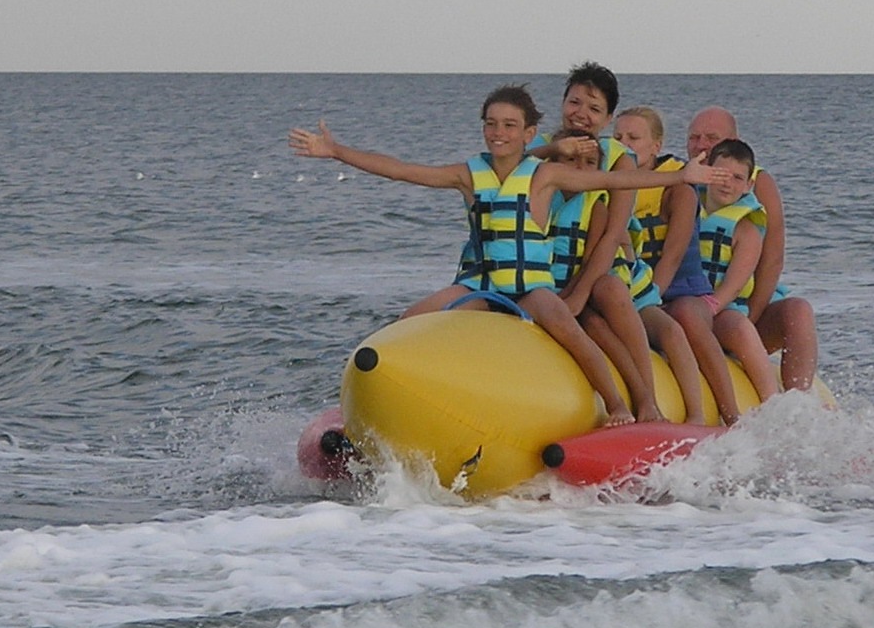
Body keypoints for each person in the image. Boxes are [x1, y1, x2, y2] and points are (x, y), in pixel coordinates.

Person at [289, 85, 712, 428]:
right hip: (483, 284)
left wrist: (682, 176)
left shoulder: (544, 175)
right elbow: (402, 169)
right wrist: (337, 151)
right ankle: (367, 409)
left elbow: (615, 180)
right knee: (412, 319)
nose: (499, 132)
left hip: (530, 287)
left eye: (510, 125)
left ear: (529, 134)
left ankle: (616, 403)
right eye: (491, 123)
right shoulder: (469, 174)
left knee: (567, 327)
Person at [548, 128, 708, 427]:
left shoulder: (597, 206)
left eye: (589, 163)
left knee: (668, 330)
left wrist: (572, 299)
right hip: (564, 293)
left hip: (610, 288)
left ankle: (663, 404)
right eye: (570, 160)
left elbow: (591, 262)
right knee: (595, 327)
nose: (579, 169)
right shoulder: (542, 195)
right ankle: (624, 402)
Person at [613, 106, 746, 426]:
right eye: (617, 137)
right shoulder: (611, 181)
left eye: (633, 138)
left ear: (656, 146)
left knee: (685, 317)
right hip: (636, 288)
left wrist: (649, 299)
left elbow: (672, 257)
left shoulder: (679, 189)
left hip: (682, 290)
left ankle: (727, 414)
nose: (624, 145)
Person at [687, 106, 819, 390]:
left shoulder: (758, 187)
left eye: (711, 137)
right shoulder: (678, 181)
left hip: (738, 309)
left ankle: (799, 397)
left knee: (799, 310)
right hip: (691, 307)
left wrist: (749, 319)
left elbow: (771, 261)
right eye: (694, 137)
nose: (701, 145)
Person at [694, 138, 781, 403]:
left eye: (737, 178)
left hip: (722, 309)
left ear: (748, 186)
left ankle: (772, 400)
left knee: (740, 328)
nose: (727, 183)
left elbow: (733, 286)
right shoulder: (686, 207)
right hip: (683, 301)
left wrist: (708, 309)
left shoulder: (747, 231)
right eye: (721, 174)